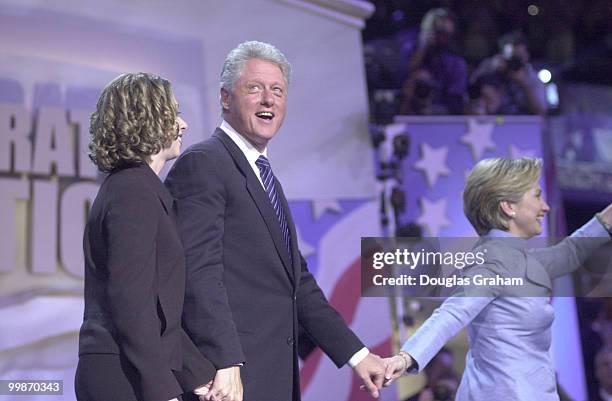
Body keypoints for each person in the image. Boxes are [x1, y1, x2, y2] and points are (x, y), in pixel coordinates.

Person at [165, 41, 386, 401]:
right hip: (227, 382)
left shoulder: (264, 176)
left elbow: (295, 283)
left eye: (277, 90)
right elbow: (197, 273)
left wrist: (357, 355)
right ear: (225, 97)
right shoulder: (204, 164)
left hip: (273, 377)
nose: (268, 99)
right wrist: (226, 359)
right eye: (254, 88)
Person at [382, 157, 612, 401]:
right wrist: (406, 357)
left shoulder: (525, 261)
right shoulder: (490, 262)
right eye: (536, 196)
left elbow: (572, 250)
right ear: (508, 207)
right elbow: (451, 314)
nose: (545, 207)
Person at [75, 73, 215, 401]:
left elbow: (157, 311)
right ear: (147, 119)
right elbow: (131, 302)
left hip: (129, 371)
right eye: (173, 114)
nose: (183, 125)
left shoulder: (137, 188)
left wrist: (201, 377)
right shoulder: (132, 191)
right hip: (121, 376)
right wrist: (161, 390)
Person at [405, 8, 468, 114]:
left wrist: (432, 110)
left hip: (441, 116)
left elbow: (455, 103)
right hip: (409, 113)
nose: (444, 38)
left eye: (448, 34)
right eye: (440, 32)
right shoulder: (412, 51)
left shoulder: (456, 63)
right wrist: (422, 47)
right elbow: (403, 76)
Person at [470, 31, 547, 115]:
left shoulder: (532, 77)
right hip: (491, 122)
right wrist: (492, 71)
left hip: (520, 124)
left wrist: (523, 84)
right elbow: (471, 87)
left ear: (526, 56)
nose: (514, 63)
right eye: (512, 58)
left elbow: (540, 112)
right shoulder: (491, 66)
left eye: (518, 58)